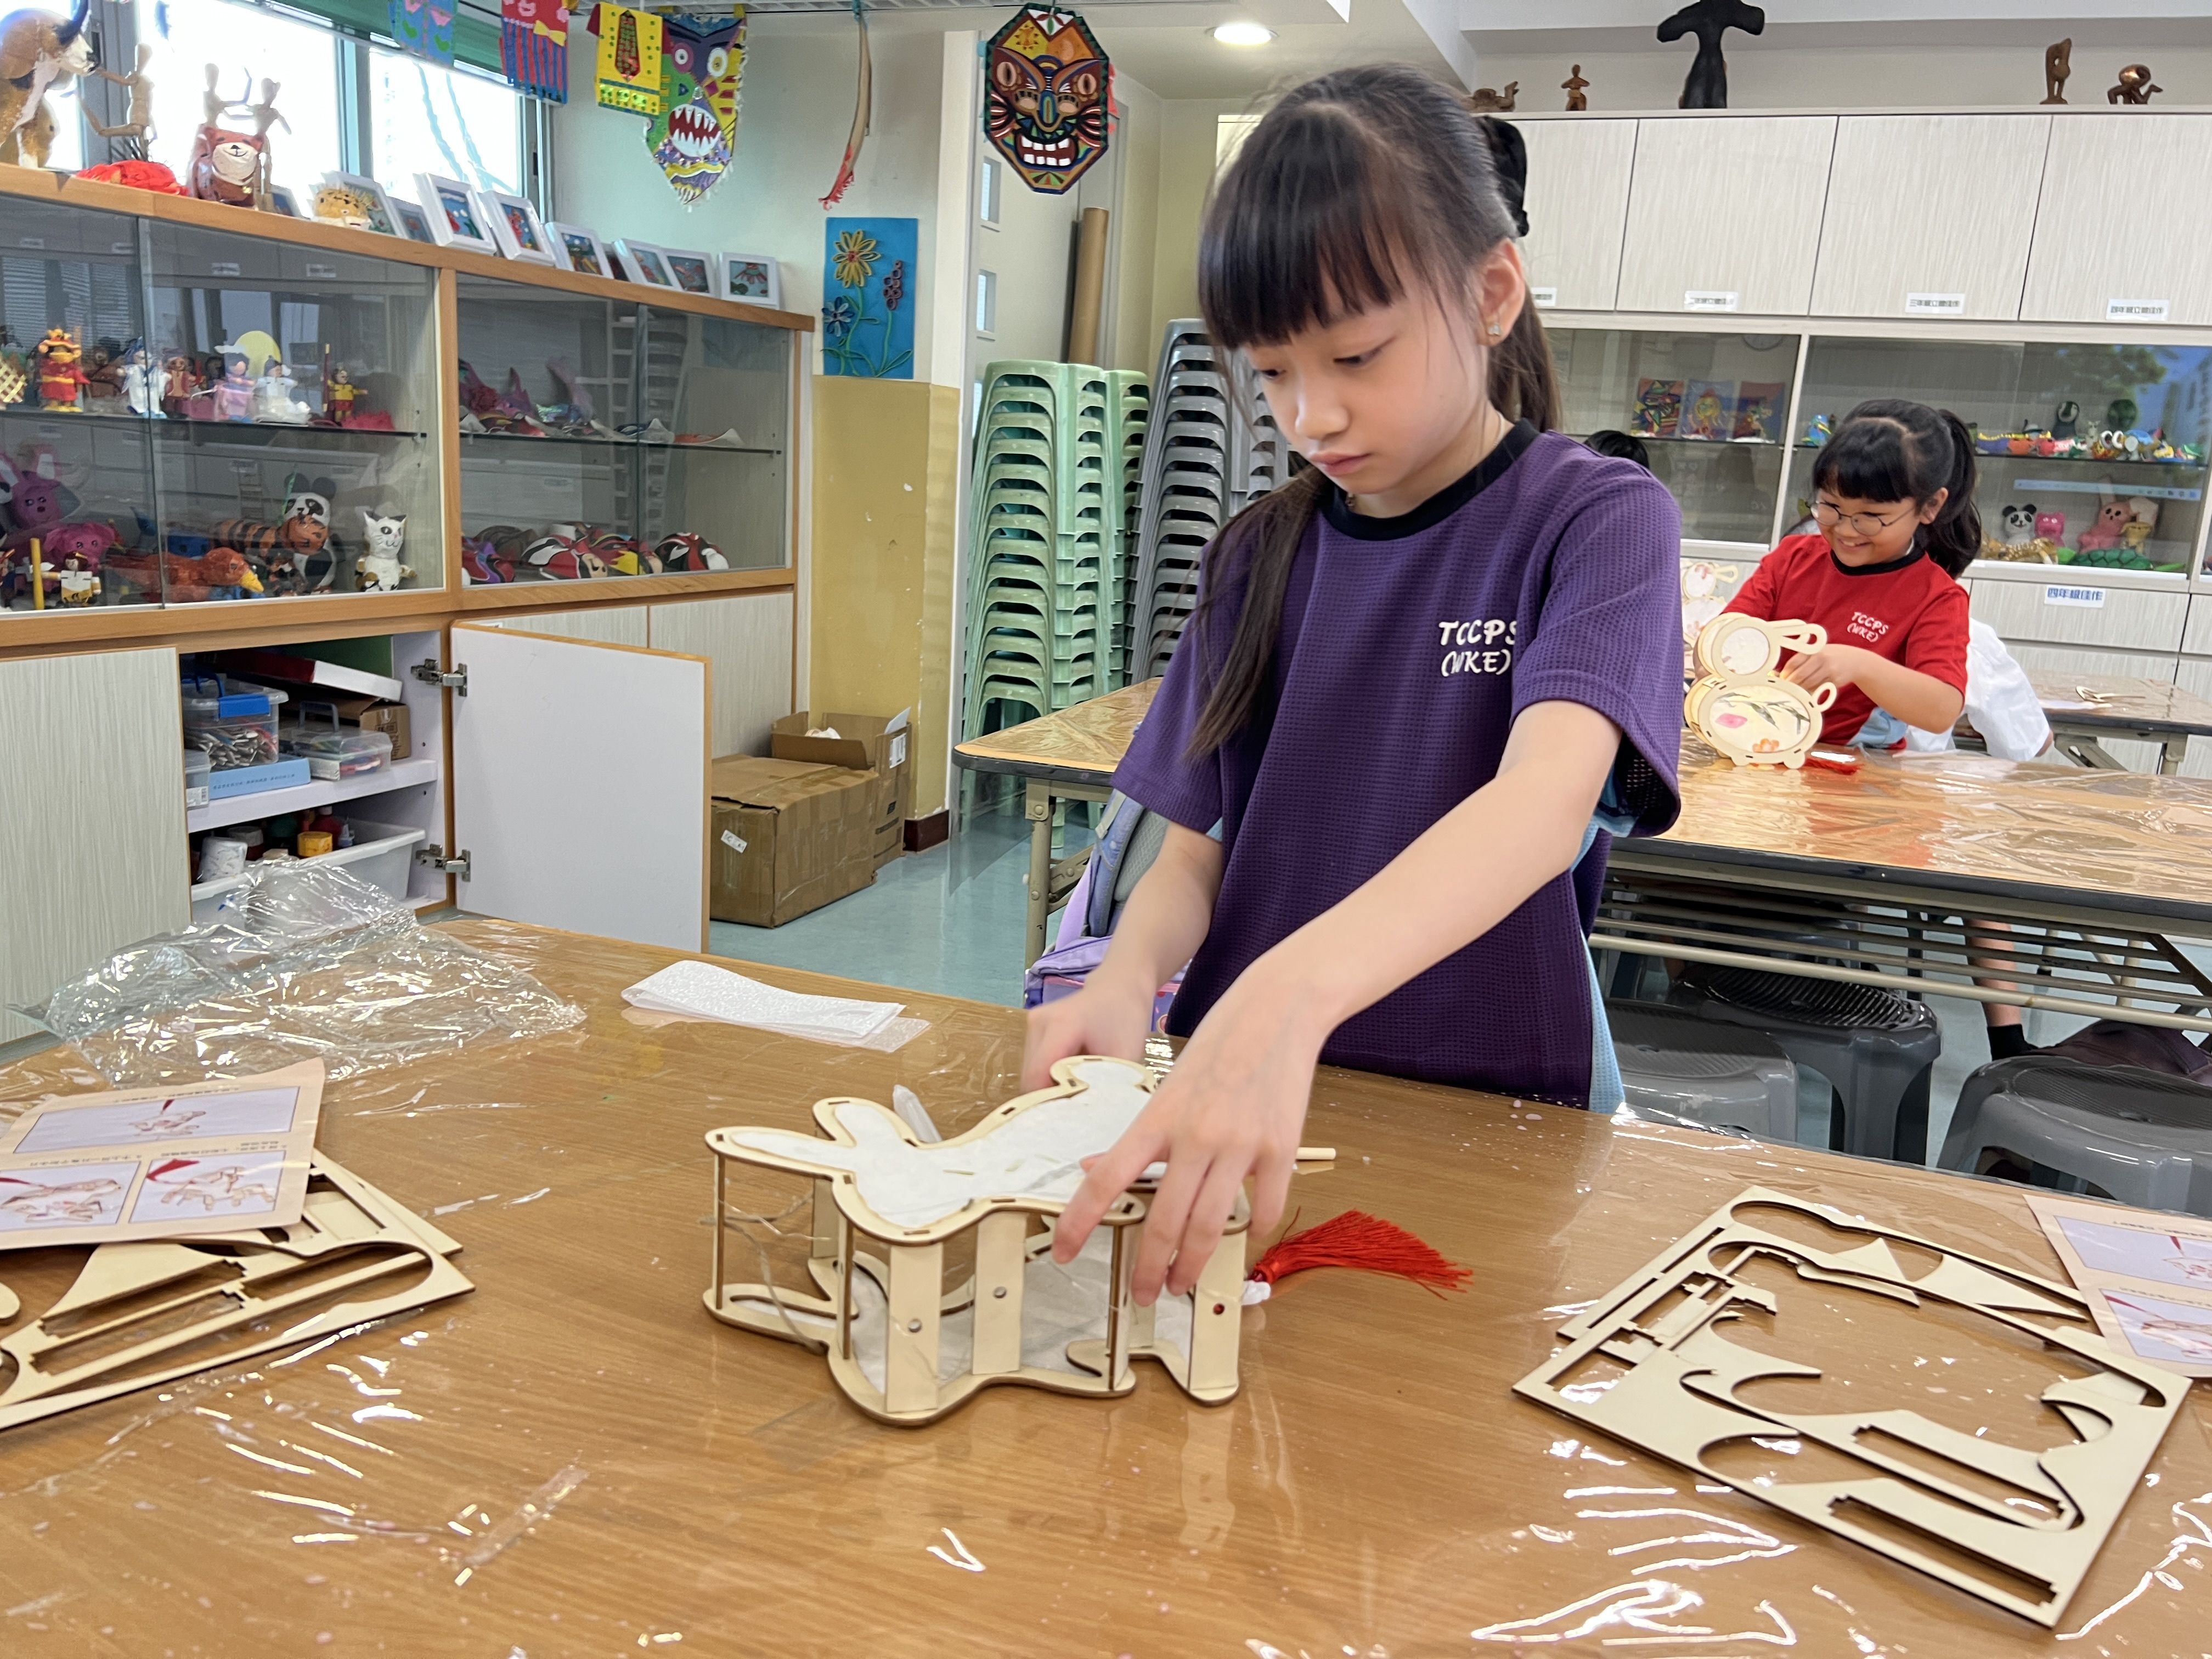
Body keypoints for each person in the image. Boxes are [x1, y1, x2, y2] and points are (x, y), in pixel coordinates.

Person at [1024, 65, 1685, 1306]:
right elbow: (1193, 856)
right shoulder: (1258, 555)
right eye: (1272, 372)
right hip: (1242, 1097)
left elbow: (1543, 807)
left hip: (1491, 1109)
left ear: (1490, 294)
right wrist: (1121, 974)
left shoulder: (1594, 520)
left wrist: (1288, 991)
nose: (1310, 415)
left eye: (1354, 356)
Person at [1722, 400, 1972, 743]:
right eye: (1831, 506)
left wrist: (1860, 666)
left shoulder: (1936, 597)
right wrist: (1717, 652)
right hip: (1753, 742)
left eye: (1870, 516)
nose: (1845, 530)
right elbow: (1732, 628)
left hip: (1855, 763)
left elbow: (1941, 710)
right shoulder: (1793, 558)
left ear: (1930, 506)